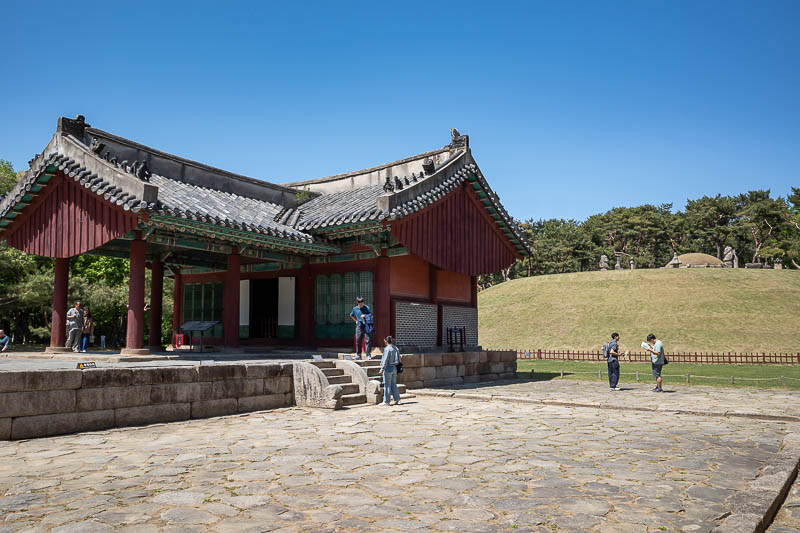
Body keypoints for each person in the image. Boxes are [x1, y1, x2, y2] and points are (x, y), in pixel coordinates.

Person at [379, 336, 402, 406]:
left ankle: (386, 401)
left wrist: (382, 368)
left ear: (386, 341)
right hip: (395, 367)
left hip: (388, 367)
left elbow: (385, 359)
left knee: (387, 385)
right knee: (394, 384)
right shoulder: (396, 348)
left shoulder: (387, 349)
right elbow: (399, 359)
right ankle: (398, 399)